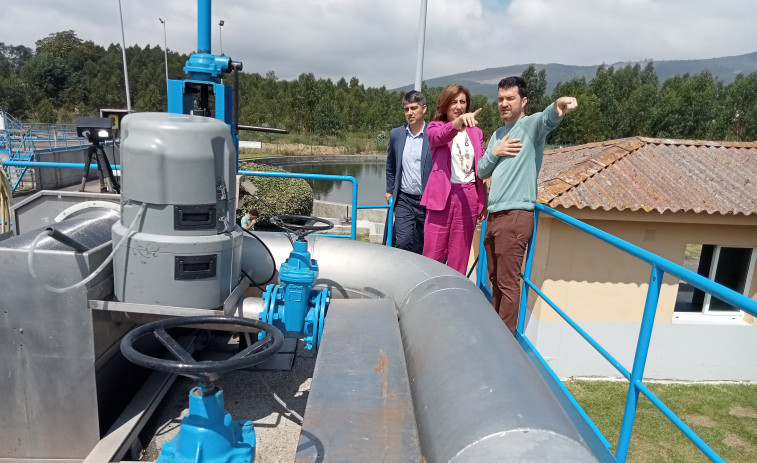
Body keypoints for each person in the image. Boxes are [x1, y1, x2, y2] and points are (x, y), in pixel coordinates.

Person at [478, 76, 578, 333]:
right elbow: (480, 170)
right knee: (495, 278)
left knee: (508, 282)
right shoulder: (498, 135)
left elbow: (547, 118)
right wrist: (496, 151)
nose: (504, 104)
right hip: (495, 216)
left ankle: (504, 340)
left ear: (523, 101)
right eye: (500, 99)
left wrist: (559, 105)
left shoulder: (530, 125)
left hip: (515, 215)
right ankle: (496, 330)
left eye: (510, 98)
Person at [421, 83, 519, 274]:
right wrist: (458, 124)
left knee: (459, 256)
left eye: (463, 102)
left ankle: (453, 298)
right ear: (445, 105)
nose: (459, 106)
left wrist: (482, 199)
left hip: (468, 197)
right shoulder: (435, 127)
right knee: (432, 255)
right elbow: (439, 136)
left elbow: (480, 169)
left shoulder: (476, 132)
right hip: (442, 198)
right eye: (454, 102)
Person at [385, 90, 432, 253]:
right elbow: (391, 164)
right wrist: (389, 190)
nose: (410, 113)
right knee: (403, 241)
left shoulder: (433, 134)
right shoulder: (397, 134)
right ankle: (399, 275)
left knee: (423, 244)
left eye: (413, 108)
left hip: (427, 201)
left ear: (423, 109)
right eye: (406, 109)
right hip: (404, 198)